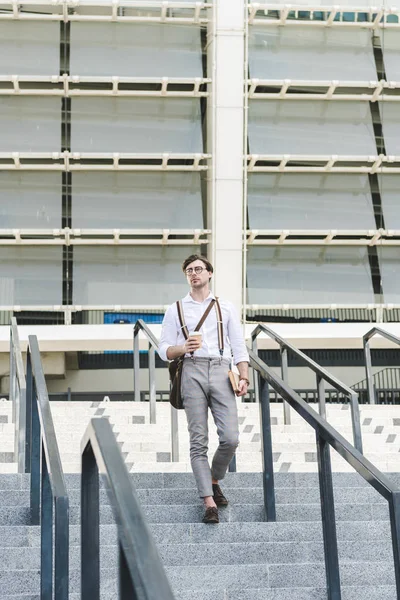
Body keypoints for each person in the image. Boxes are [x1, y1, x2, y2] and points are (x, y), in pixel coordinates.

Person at [158, 254, 249, 524]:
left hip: (222, 369)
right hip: (191, 370)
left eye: (199, 269)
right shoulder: (175, 309)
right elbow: (163, 349)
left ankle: (213, 478)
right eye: (189, 270)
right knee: (198, 440)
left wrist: (243, 376)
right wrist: (182, 348)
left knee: (230, 438)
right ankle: (208, 501)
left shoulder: (226, 308)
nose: (194, 273)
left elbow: (239, 345)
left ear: (210, 273)